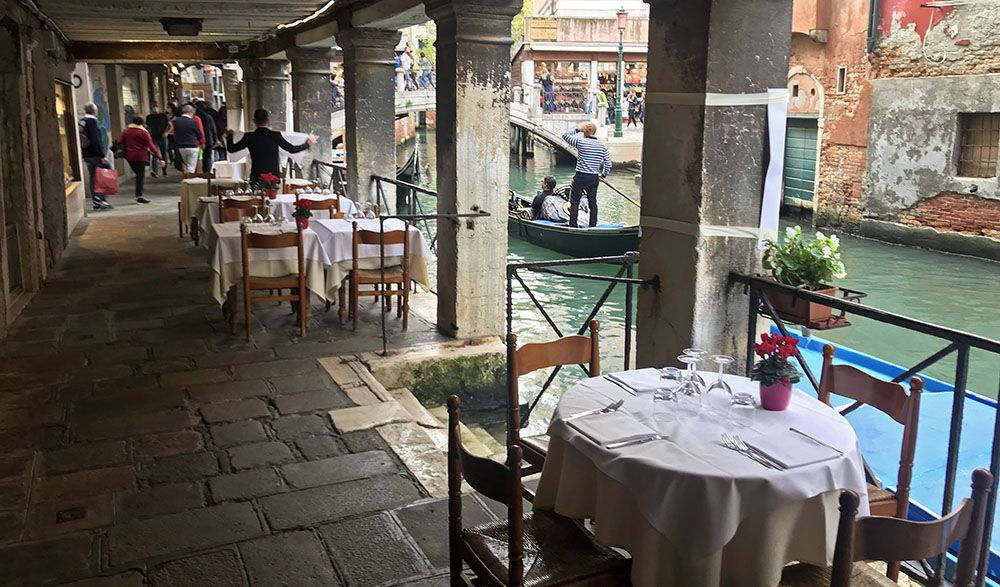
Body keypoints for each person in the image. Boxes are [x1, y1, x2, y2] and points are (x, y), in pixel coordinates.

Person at [226, 108, 316, 185]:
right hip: (273, 176)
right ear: (268, 121)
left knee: (258, 201)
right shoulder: (275, 136)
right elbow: (292, 149)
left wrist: (229, 136)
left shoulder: (250, 137)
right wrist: (307, 143)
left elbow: (232, 149)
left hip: (257, 175)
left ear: (254, 121)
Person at [562, 121, 611, 228]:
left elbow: (565, 135)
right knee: (592, 202)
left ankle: (573, 225)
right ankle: (593, 224)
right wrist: (603, 175)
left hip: (580, 176)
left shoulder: (580, 142)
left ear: (586, 131)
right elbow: (608, 164)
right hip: (594, 178)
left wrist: (578, 129)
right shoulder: (603, 146)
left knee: (575, 201)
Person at [115, 116, 164, 204]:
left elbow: (119, 141)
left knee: (138, 174)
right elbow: (151, 146)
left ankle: (138, 195)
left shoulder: (126, 131)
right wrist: (159, 158)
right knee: (140, 176)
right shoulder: (144, 132)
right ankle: (139, 196)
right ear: (142, 123)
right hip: (141, 156)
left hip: (129, 156)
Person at [80, 102, 112, 211]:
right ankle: (101, 198)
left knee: (93, 176)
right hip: (95, 154)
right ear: (94, 111)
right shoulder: (92, 122)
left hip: (87, 154)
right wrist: (102, 155)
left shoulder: (82, 121)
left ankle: (96, 200)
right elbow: (95, 140)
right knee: (107, 170)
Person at [171, 104, 203, 173]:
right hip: (192, 146)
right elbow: (199, 135)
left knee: (185, 165)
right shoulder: (193, 122)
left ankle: (185, 178)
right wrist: (200, 141)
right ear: (190, 112)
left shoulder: (176, 121)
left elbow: (174, 133)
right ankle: (189, 181)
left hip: (181, 146)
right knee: (191, 167)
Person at [145, 102, 171, 178]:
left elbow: (170, 125)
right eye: (153, 106)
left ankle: (164, 170)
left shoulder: (163, 116)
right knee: (154, 154)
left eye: (156, 106)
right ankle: (155, 171)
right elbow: (147, 126)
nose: (155, 108)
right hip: (153, 138)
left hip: (163, 138)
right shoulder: (149, 117)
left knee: (164, 154)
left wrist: (167, 132)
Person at [194, 100, 217, 173]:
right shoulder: (208, 117)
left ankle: (197, 171)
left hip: (197, 140)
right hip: (209, 140)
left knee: (197, 157)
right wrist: (215, 139)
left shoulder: (195, 118)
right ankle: (206, 171)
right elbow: (213, 129)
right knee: (207, 157)